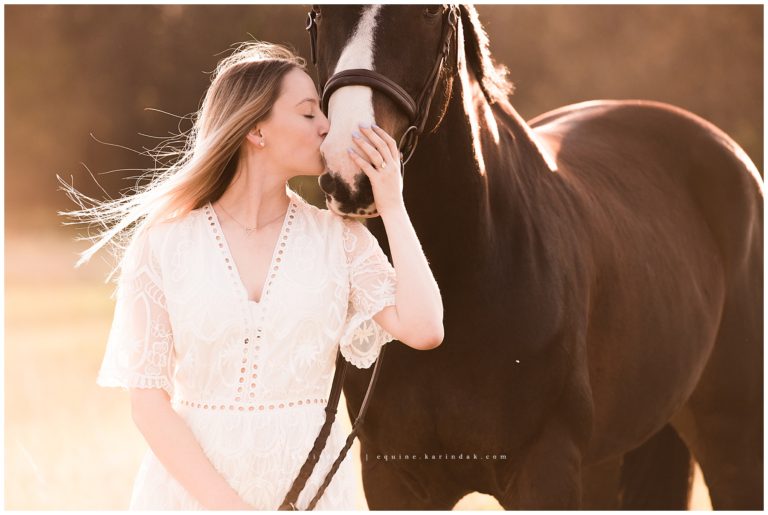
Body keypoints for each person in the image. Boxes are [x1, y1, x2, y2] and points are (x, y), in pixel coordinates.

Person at [63, 41, 443, 510]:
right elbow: (147, 402)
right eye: (309, 113)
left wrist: (392, 204)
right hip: (190, 497)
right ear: (256, 130)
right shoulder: (164, 243)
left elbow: (425, 328)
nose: (327, 125)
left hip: (313, 495)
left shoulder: (340, 239)